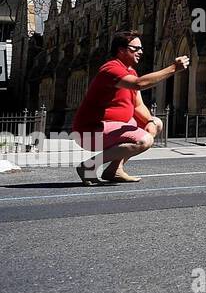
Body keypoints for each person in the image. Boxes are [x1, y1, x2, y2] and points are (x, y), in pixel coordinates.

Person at [71, 30, 190, 185]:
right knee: (144, 140)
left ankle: (115, 169)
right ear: (121, 50)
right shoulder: (110, 69)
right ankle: (89, 166)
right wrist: (173, 68)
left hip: (114, 129)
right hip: (90, 130)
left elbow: (138, 106)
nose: (140, 52)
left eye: (141, 48)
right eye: (135, 48)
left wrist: (150, 122)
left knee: (156, 123)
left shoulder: (130, 71)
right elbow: (138, 84)